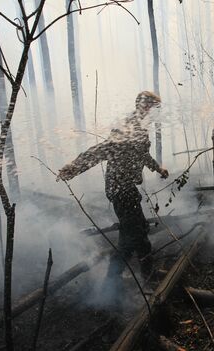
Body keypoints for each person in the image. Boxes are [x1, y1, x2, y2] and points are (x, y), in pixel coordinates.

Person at [58, 91, 169, 285]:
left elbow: (142, 155)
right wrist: (74, 167)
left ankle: (124, 278)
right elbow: (102, 150)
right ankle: (130, 279)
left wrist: (158, 168)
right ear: (145, 106)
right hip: (120, 190)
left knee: (134, 233)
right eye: (154, 108)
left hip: (126, 189)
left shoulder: (140, 128)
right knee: (137, 237)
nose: (155, 113)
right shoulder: (127, 127)